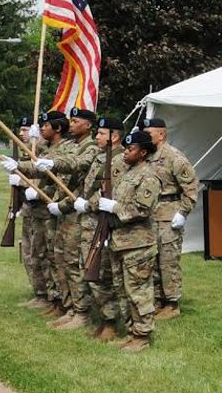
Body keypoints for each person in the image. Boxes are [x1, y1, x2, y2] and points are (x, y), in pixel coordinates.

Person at [97, 129, 162, 353]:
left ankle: (142, 335)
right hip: (120, 241)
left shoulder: (149, 176)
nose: (125, 152)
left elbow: (142, 209)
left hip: (138, 244)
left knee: (138, 290)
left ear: (143, 152)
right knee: (122, 289)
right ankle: (131, 331)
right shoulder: (128, 172)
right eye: (125, 148)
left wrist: (114, 207)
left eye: (131, 149)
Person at [39, 107, 101, 331]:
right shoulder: (73, 145)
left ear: (88, 125)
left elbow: (78, 164)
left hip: (77, 214)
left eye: (75, 121)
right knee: (61, 259)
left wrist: (54, 164)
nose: (71, 125)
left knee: (74, 263)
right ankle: (70, 307)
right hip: (64, 211)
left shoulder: (91, 147)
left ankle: (82, 312)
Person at [3, 110, 68, 318]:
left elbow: (54, 177)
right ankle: (42, 293)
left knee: (47, 255)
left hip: (47, 210)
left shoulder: (64, 149)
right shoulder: (42, 148)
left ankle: (54, 297)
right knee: (32, 254)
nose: (24, 133)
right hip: (31, 209)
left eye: (27, 129)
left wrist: (24, 183)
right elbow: (34, 164)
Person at [72, 116, 128, 341]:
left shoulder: (120, 160)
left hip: (102, 222)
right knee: (88, 268)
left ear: (114, 137)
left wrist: (88, 204)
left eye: (101, 134)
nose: (96, 137)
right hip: (89, 222)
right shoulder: (101, 156)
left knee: (101, 273)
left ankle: (111, 322)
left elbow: (109, 191)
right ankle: (100, 317)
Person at [140, 117, 198, 319]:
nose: (145, 137)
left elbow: (191, 187)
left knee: (167, 260)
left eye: (149, 134)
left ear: (161, 134)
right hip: (150, 214)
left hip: (168, 214)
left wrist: (183, 212)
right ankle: (157, 300)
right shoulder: (146, 156)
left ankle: (172, 303)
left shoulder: (174, 157)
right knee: (152, 259)